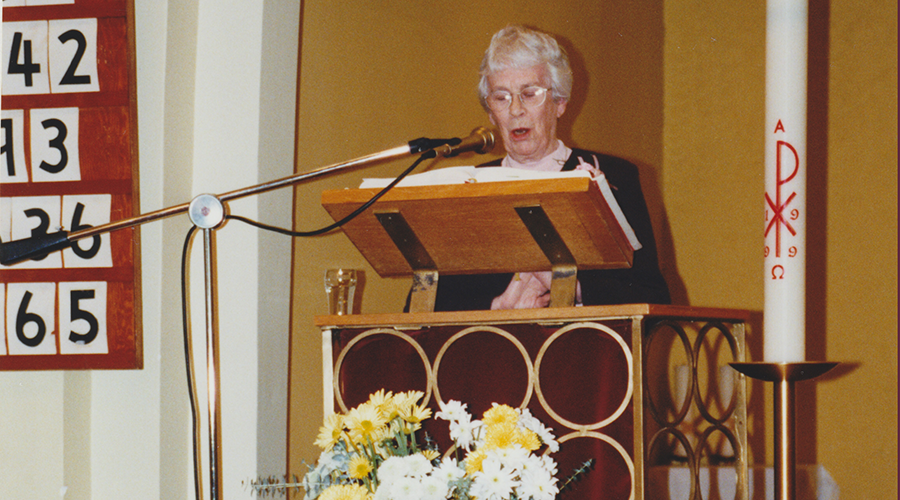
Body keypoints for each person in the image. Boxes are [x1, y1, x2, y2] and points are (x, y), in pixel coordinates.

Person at [426, 25, 670, 311]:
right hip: (489, 350)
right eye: (501, 97)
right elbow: (422, 302)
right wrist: (495, 307)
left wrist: (569, 286)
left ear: (560, 103)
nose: (515, 110)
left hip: (588, 350)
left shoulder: (614, 176)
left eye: (529, 94)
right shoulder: (469, 185)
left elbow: (653, 297)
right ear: (491, 113)